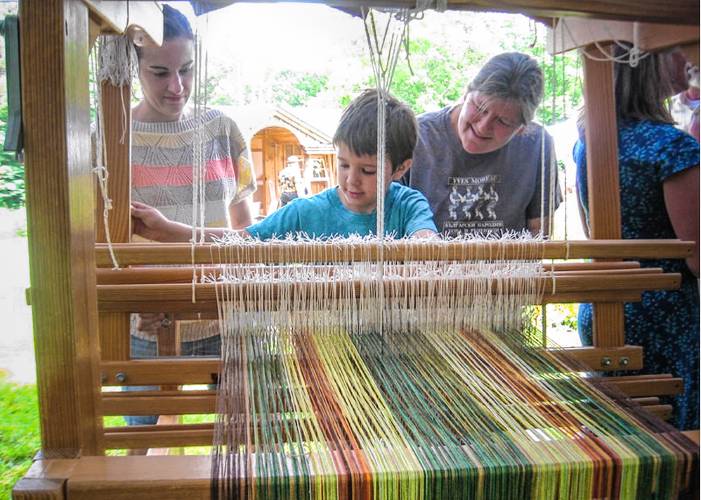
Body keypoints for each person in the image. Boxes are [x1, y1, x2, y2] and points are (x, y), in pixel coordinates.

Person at [126, 5, 256, 429]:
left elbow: (247, 230)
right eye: (159, 72)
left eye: (187, 69)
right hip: (149, 325)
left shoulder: (224, 130)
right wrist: (130, 300)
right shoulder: (110, 138)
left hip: (224, 320)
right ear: (134, 67)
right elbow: (97, 242)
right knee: (139, 459)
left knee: (242, 447)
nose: (177, 86)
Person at [574, 45, 699, 430]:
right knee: (675, 449)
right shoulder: (673, 148)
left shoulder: (593, 138)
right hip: (665, 321)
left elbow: (595, 232)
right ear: (652, 58)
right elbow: (697, 254)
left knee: (626, 443)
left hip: (607, 305)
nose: (690, 57)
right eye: (678, 48)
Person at [132, 89, 437, 242]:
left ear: (400, 169)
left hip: (399, 346)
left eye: (367, 171)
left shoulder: (408, 207)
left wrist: (427, 248)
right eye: (343, 165)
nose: (350, 180)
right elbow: (240, 241)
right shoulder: (305, 212)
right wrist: (169, 229)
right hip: (319, 347)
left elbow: (426, 242)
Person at [404, 52, 561, 237]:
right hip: (424, 265)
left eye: (503, 121)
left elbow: (540, 232)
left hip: (509, 266)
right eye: (479, 107)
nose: (483, 126)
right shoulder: (415, 136)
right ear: (465, 94)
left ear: (521, 129)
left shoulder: (538, 146)